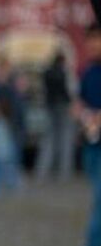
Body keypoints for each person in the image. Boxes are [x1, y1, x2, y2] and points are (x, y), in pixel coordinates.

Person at [73, 27, 101, 246]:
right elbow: (79, 101)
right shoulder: (88, 71)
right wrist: (82, 114)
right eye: (90, 41)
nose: (93, 45)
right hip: (91, 144)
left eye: (97, 40)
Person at [36, 51, 75, 180]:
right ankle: (64, 171)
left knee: (48, 139)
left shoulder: (47, 73)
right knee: (65, 139)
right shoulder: (62, 73)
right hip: (62, 107)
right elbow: (66, 91)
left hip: (50, 107)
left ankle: (42, 170)